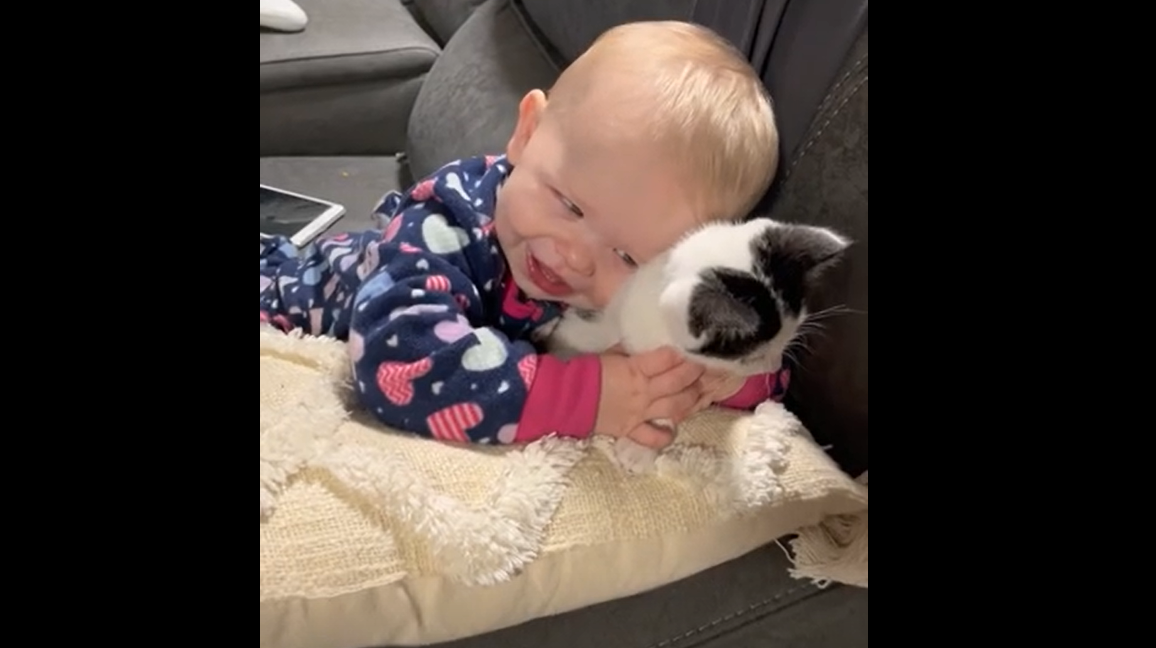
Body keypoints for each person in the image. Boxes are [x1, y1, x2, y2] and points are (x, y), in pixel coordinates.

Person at [259, 20, 784, 448]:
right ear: (527, 132)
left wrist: (726, 377)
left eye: (625, 254)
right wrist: (587, 397)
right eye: (569, 205)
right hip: (281, 290)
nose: (574, 256)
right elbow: (402, 367)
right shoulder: (445, 219)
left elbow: (757, 366)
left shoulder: (641, 278)